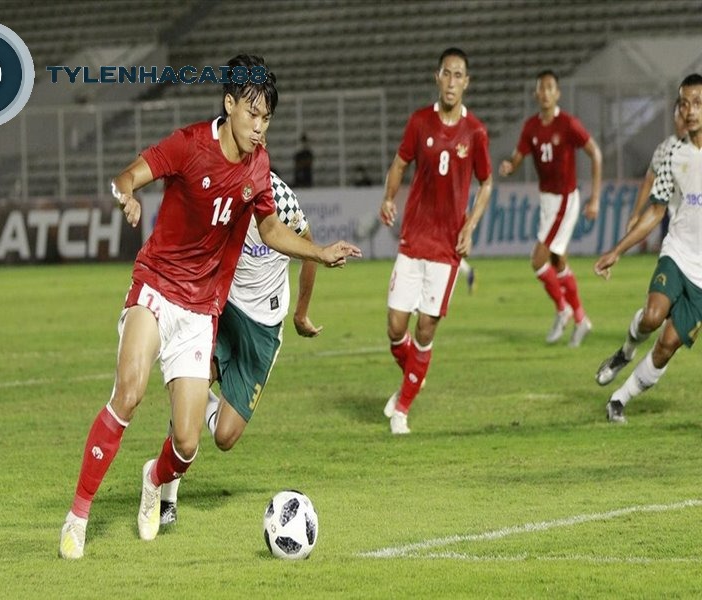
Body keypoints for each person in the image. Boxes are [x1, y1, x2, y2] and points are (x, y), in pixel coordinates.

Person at [58, 54, 361, 560]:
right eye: (252, 114)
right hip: (156, 286)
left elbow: (270, 228)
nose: (259, 127)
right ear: (229, 104)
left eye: (267, 118)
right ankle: (78, 516)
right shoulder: (189, 144)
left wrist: (319, 252)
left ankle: (154, 480)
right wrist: (127, 197)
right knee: (129, 392)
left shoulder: (258, 165)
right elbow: (127, 175)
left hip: (201, 310)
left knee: (187, 443)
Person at [159, 160, 321, 526]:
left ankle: (187, 391)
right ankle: (166, 494)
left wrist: (301, 313)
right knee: (192, 389)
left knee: (225, 436)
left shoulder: (281, 200)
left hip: (263, 329)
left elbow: (310, 248)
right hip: (223, 311)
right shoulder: (220, 192)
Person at [379, 47, 493, 435]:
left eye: (458, 75)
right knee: (396, 327)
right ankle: (416, 374)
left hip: (447, 249)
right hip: (414, 239)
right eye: (446, 73)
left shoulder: (475, 131)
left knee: (425, 329)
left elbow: (487, 182)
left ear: (466, 82)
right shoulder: (419, 122)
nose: (451, 81)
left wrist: (470, 226)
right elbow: (400, 163)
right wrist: (389, 197)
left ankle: (403, 408)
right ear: (437, 77)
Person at [593, 74, 701, 424]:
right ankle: (625, 352)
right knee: (653, 317)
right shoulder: (672, 154)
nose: (690, 111)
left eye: (698, 103)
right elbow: (656, 212)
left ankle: (619, 400)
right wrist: (617, 250)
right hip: (677, 254)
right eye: (684, 103)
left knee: (667, 346)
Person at [499, 69, 601, 347]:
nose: (545, 92)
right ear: (536, 94)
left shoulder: (568, 124)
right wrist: (510, 166)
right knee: (557, 262)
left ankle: (562, 309)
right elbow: (518, 156)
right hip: (547, 200)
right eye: (541, 88)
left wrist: (595, 198)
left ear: (557, 93)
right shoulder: (531, 127)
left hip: (565, 199)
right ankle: (581, 319)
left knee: (538, 259)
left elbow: (595, 153)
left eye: (549, 87)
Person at [626, 99, 686, 250]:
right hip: (673, 218)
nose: (684, 121)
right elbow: (649, 181)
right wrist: (636, 214)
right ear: (674, 118)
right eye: (680, 115)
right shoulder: (665, 149)